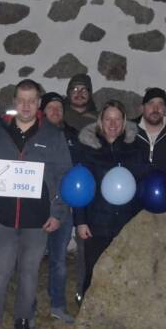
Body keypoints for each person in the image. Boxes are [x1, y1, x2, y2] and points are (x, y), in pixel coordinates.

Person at [0, 79, 72, 329]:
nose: (26, 106)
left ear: (39, 103)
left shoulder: (53, 136)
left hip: (37, 221)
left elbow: (64, 176)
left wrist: (58, 213)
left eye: (32, 100)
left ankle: (23, 322)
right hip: (2, 219)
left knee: (29, 274)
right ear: (14, 102)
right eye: (21, 100)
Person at [74, 100, 143, 298]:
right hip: (97, 222)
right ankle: (88, 314)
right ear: (100, 122)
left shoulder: (136, 148)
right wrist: (81, 221)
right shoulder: (88, 149)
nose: (112, 124)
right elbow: (80, 186)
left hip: (126, 222)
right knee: (94, 271)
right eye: (108, 119)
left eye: (117, 119)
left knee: (125, 270)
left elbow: (141, 184)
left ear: (124, 122)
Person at [39, 92, 79, 324]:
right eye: (51, 108)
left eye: (59, 108)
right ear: (43, 112)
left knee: (59, 261)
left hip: (63, 210)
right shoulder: (35, 135)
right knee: (32, 261)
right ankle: (28, 308)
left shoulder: (72, 136)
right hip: (37, 209)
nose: (55, 111)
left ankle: (58, 305)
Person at [62, 74, 98, 304]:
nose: (79, 93)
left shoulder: (98, 120)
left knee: (85, 246)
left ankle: (84, 291)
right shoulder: (58, 115)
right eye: (74, 88)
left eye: (84, 89)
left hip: (86, 190)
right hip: (60, 186)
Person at [135, 88, 166, 185]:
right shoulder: (129, 132)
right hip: (134, 194)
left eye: (160, 104)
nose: (155, 109)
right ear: (142, 108)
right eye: (151, 103)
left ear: (165, 109)